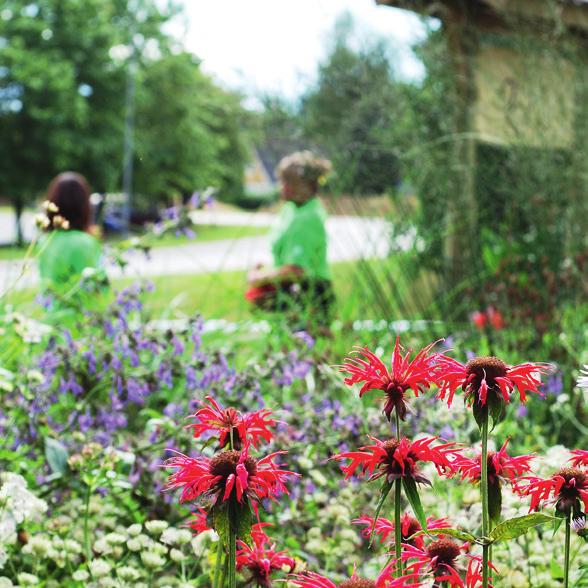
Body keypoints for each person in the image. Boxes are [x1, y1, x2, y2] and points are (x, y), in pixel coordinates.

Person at [246, 151, 334, 326]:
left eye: (290, 182)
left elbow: (297, 270)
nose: (283, 187)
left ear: (309, 184)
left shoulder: (307, 217)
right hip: (294, 293)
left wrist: (259, 277)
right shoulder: (292, 209)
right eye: (282, 181)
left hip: (309, 295)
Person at [38, 172, 102, 290]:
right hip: (80, 307)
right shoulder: (87, 242)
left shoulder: (43, 242)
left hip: (48, 307)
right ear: (84, 206)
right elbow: (98, 287)